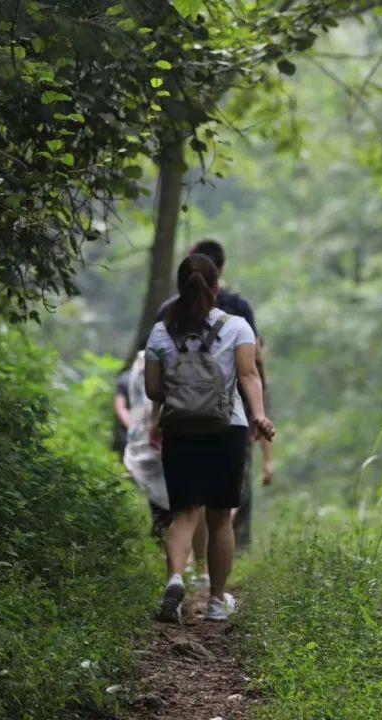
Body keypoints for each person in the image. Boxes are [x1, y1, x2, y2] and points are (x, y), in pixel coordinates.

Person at [145, 254, 274, 623]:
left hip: (181, 430)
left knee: (184, 515)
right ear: (216, 287)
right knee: (220, 520)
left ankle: (174, 578)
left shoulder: (160, 332)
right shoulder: (238, 327)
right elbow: (249, 375)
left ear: (179, 288)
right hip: (226, 429)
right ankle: (217, 601)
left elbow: (153, 390)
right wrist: (259, 414)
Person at [121, 349, 171, 537]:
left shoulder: (134, 371)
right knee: (165, 494)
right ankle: (164, 539)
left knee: (158, 494)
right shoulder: (155, 367)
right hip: (155, 436)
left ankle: (161, 536)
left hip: (143, 438)